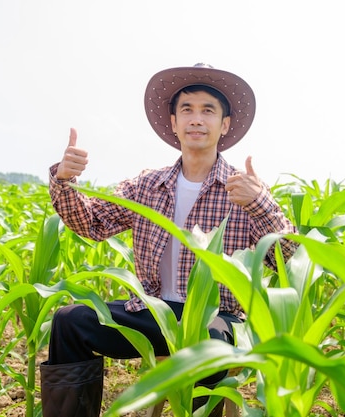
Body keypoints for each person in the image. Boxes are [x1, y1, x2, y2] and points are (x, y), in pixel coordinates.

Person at [39, 63, 298, 417]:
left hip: (217, 319)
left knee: (210, 346)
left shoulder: (244, 190)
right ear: (173, 122)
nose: (196, 119)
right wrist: (64, 180)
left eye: (208, 111)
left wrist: (261, 206)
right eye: (186, 110)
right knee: (69, 322)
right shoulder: (147, 185)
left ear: (224, 125)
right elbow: (92, 223)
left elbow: (290, 262)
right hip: (153, 312)